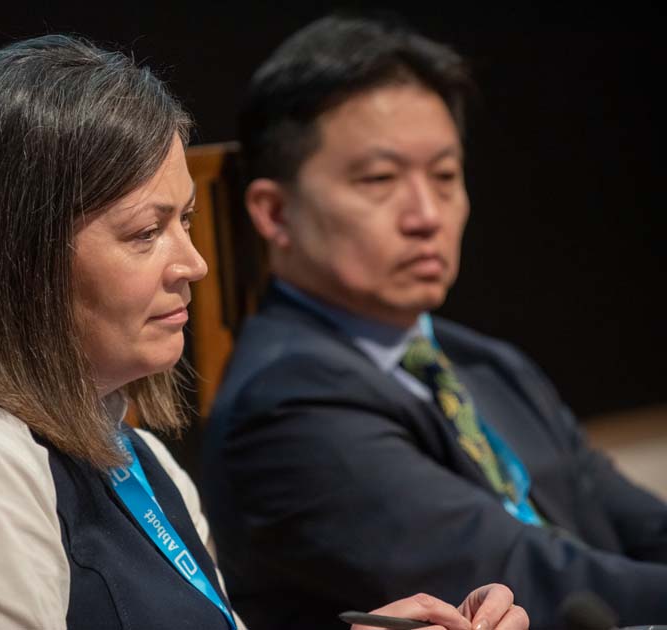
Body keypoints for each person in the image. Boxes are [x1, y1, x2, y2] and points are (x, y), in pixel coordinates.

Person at [0, 34, 525, 630]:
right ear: (16, 260)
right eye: (146, 232)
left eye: (185, 221)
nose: (195, 263)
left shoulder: (138, 457)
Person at [201, 14, 667, 630]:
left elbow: (638, 523)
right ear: (275, 212)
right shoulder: (283, 405)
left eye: (445, 176)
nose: (426, 215)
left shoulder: (484, 362)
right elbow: (532, 581)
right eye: (380, 179)